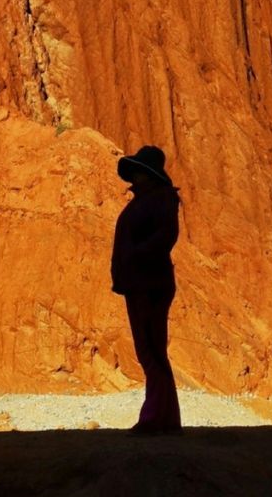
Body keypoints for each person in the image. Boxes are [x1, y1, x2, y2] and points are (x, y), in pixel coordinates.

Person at [111, 144, 181, 434]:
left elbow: (166, 235)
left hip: (149, 282)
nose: (134, 177)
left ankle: (156, 419)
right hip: (140, 283)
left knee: (152, 350)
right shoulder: (148, 199)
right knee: (148, 350)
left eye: (139, 171)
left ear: (150, 174)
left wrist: (136, 255)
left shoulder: (160, 199)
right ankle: (164, 419)